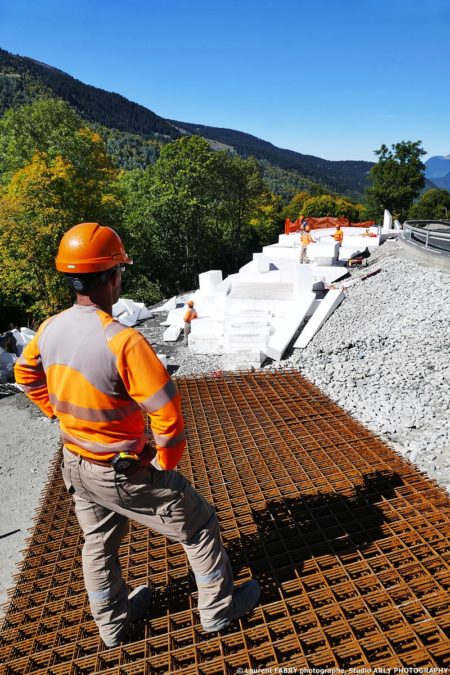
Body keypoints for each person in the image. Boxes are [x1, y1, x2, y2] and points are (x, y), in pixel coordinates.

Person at [14, 222, 260, 648]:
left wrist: (56, 410)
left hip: (76, 463)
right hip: (123, 468)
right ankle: (219, 612)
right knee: (199, 525)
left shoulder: (49, 328)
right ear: (114, 276)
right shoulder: (123, 341)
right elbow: (166, 411)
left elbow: (25, 374)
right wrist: (164, 463)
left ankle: (112, 625)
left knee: (98, 542)